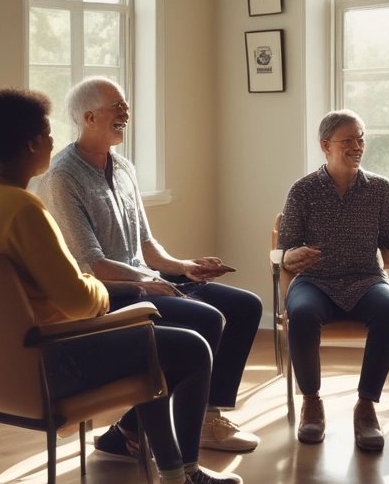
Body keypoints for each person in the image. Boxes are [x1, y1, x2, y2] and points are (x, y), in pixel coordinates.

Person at [0, 88, 243, 484]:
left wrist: (136, 285)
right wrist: (134, 292)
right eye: (47, 134)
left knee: (154, 343)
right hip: (53, 358)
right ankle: (179, 479)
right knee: (188, 348)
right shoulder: (26, 210)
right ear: (32, 143)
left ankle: (176, 477)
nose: (53, 141)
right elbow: (77, 300)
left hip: (5, 362)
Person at [37, 77, 263, 457]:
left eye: (125, 104)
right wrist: (148, 280)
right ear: (89, 117)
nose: (125, 112)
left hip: (146, 281)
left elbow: (146, 243)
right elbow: (93, 264)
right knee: (207, 319)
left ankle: (204, 417)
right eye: (117, 105)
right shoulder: (61, 178)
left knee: (246, 306)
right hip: (111, 294)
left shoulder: (124, 167)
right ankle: (140, 429)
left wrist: (184, 266)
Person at [277, 109, 389, 450]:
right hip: (315, 280)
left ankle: (366, 406)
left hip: (366, 278)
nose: (357, 146)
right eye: (348, 140)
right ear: (326, 145)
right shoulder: (303, 190)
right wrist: (291, 257)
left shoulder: (380, 188)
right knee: (301, 314)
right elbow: (284, 249)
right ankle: (311, 403)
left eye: (361, 139)